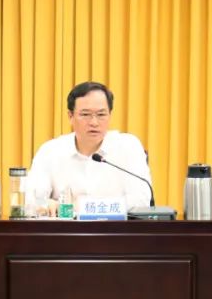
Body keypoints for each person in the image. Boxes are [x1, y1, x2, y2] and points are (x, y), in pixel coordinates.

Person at [25, 81, 151, 211]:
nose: (94, 122)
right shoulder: (50, 151)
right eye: (85, 114)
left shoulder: (129, 147)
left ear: (110, 115)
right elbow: (31, 199)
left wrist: (75, 207)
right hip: (66, 225)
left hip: (116, 225)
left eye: (101, 115)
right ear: (70, 116)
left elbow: (141, 201)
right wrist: (45, 205)